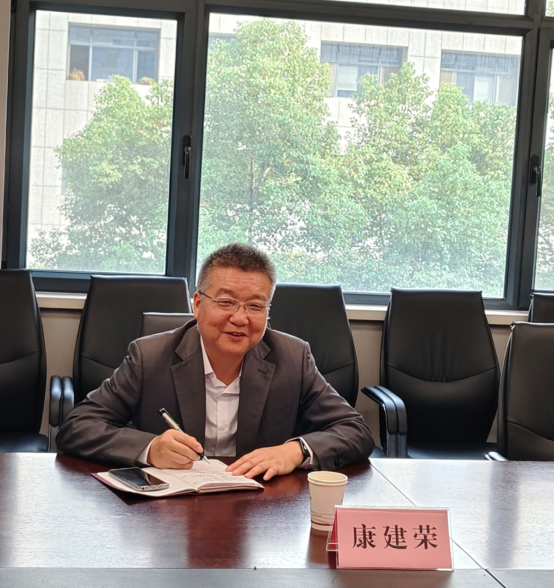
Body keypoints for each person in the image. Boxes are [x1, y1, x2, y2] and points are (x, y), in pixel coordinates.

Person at [57, 243, 374, 480]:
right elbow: (77, 427)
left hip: (260, 510)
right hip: (169, 513)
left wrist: (296, 450)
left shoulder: (293, 357)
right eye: (226, 302)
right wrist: (150, 449)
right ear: (198, 304)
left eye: (255, 306)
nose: (240, 318)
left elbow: (355, 430)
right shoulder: (149, 357)